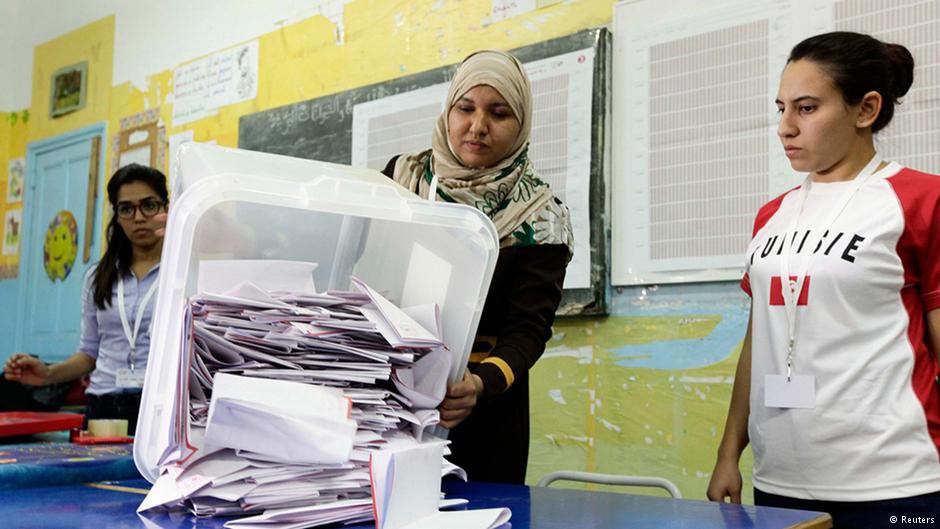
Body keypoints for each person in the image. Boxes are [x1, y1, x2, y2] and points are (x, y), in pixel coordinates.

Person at [707, 32, 940, 527]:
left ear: (866, 109)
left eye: (807, 108)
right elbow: (759, 340)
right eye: (781, 108)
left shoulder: (920, 200)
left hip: (896, 483)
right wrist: (730, 451)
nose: (785, 127)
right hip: (782, 479)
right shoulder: (772, 215)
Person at [382, 49, 573, 484]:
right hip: (389, 397)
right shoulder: (401, 180)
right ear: (448, 111)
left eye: (499, 113)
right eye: (465, 109)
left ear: (521, 122)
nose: (477, 126)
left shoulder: (541, 215)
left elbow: (529, 328)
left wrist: (480, 385)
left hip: (481, 410)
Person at [4, 163, 169, 433]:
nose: (139, 217)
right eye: (127, 208)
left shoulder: (183, 272)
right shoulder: (99, 277)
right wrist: (47, 374)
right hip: (104, 405)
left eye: (149, 205)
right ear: (117, 216)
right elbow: (89, 353)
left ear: (166, 208)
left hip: (163, 404)